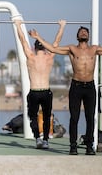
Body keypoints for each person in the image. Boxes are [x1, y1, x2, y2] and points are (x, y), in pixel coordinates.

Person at [29, 25, 102, 155]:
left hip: (90, 87)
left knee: (90, 118)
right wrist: (37, 37)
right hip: (76, 87)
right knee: (74, 118)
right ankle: (73, 146)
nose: (83, 33)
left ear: (88, 36)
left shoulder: (94, 49)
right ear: (78, 36)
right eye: (81, 32)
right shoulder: (72, 49)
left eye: (85, 32)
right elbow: (53, 48)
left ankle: (89, 146)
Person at [14, 19, 66, 149]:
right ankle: (46, 140)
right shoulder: (50, 57)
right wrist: (62, 26)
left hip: (35, 92)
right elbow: (56, 42)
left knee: (33, 117)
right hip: (46, 91)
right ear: (44, 46)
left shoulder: (31, 57)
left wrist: (18, 25)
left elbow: (23, 41)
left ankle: (38, 138)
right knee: (47, 117)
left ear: (35, 48)